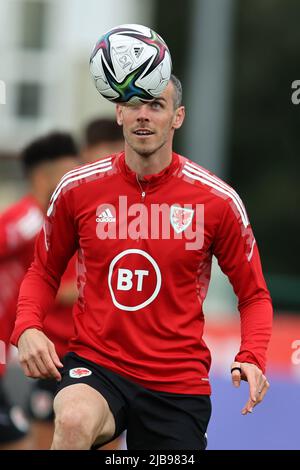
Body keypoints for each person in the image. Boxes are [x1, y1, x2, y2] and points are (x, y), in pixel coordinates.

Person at [11, 75, 272, 450]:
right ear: (119, 113)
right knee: (72, 419)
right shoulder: (76, 188)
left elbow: (254, 295)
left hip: (176, 381)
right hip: (97, 366)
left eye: (156, 106)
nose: (143, 116)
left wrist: (251, 355)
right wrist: (28, 326)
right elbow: (43, 271)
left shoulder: (217, 201)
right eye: (134, 105)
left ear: (177, 117)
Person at [0, 132, 78, 449]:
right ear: (44, 177)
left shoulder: (48, 222)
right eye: (69, 174)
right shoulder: (29, 220)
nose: (76, 182)